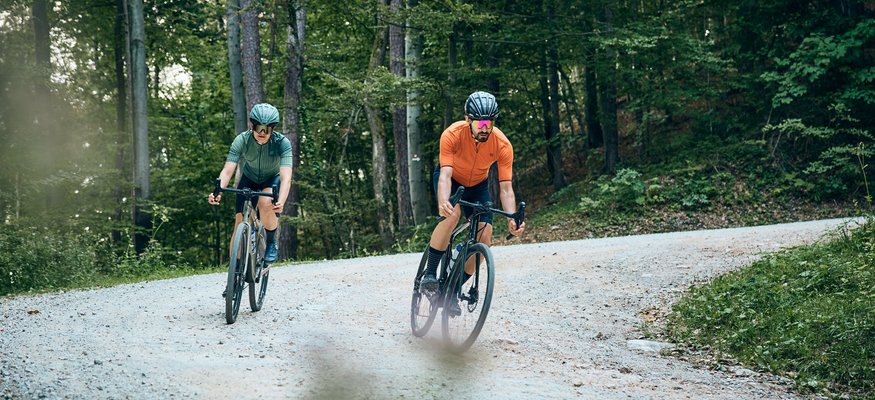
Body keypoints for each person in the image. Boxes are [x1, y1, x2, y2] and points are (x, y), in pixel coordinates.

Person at [420, 91, 526, 314]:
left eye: (490, 122)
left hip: (478, 185)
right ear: (468, 120)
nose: (486, 127)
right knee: (452, 216)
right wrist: (443, 201)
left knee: (485, 237)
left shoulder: (502, 144)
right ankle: (429, 274)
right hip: (451, 179)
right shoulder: (452, 134)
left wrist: (513, 217)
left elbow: (506, 188)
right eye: (481, 122)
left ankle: (452, 290)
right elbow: (446, 175)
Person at [208, 103, 293, 265]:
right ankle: (234, 276)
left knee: (265, 203)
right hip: (249, 179)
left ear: (273, 129)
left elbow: (286, 178)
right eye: (259, 128)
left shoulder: (282, 143)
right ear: (251, 125)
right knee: (239, 223)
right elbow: (227, 170)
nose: (262, 133)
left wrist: (281, 200)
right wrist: (217, 191)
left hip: (271, 179)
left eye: (267, 129)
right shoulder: (242, 140)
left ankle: (270, 242)